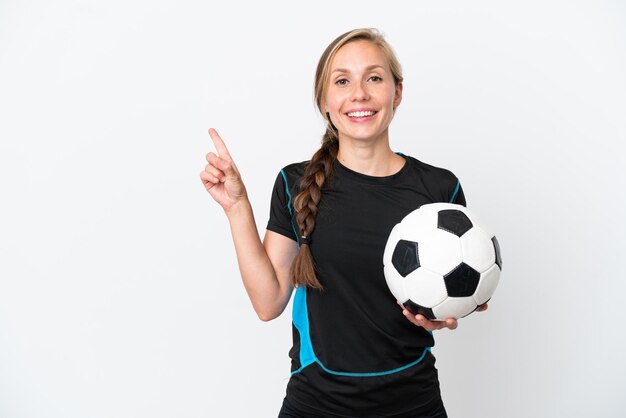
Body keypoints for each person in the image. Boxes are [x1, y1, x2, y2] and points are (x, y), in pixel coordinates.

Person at [200, 27, 486, 418]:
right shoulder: (295, 183)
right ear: (325, 100)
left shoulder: (440, 187)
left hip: (413, 402)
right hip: (316, 404)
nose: (359, 94)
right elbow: (268, 304)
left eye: (374, 77)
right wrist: (237, 208)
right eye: (342, 81)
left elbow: (455, 289)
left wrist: (456, 308)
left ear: (397, 92)